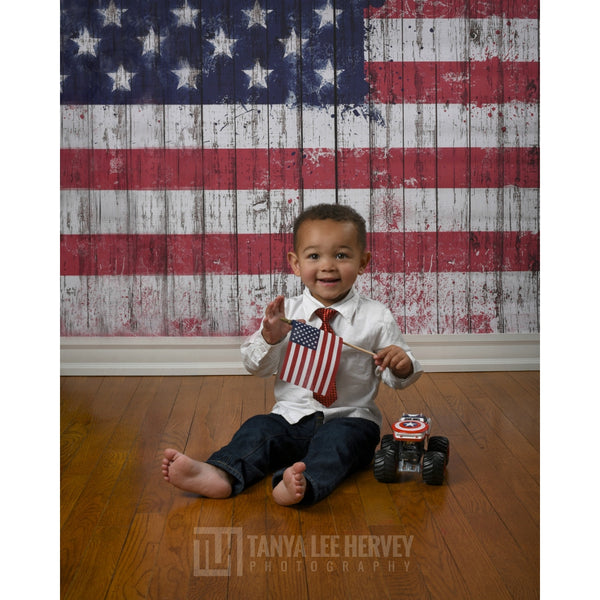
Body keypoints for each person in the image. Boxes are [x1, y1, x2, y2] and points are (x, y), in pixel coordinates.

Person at [162, 203, 423, 506]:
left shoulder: (376, 316)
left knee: (338, 446)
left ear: (363, 262)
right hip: (290, 417)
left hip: (349, 419)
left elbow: (399, 376)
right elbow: (254, 367)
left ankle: (301, 482)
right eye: (314, 256)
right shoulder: (288, 315)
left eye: (341, 255)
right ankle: (221, 473)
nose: (327, 266)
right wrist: (270, 339)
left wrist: (401, 364)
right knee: (257, 430)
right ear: (296, 264)